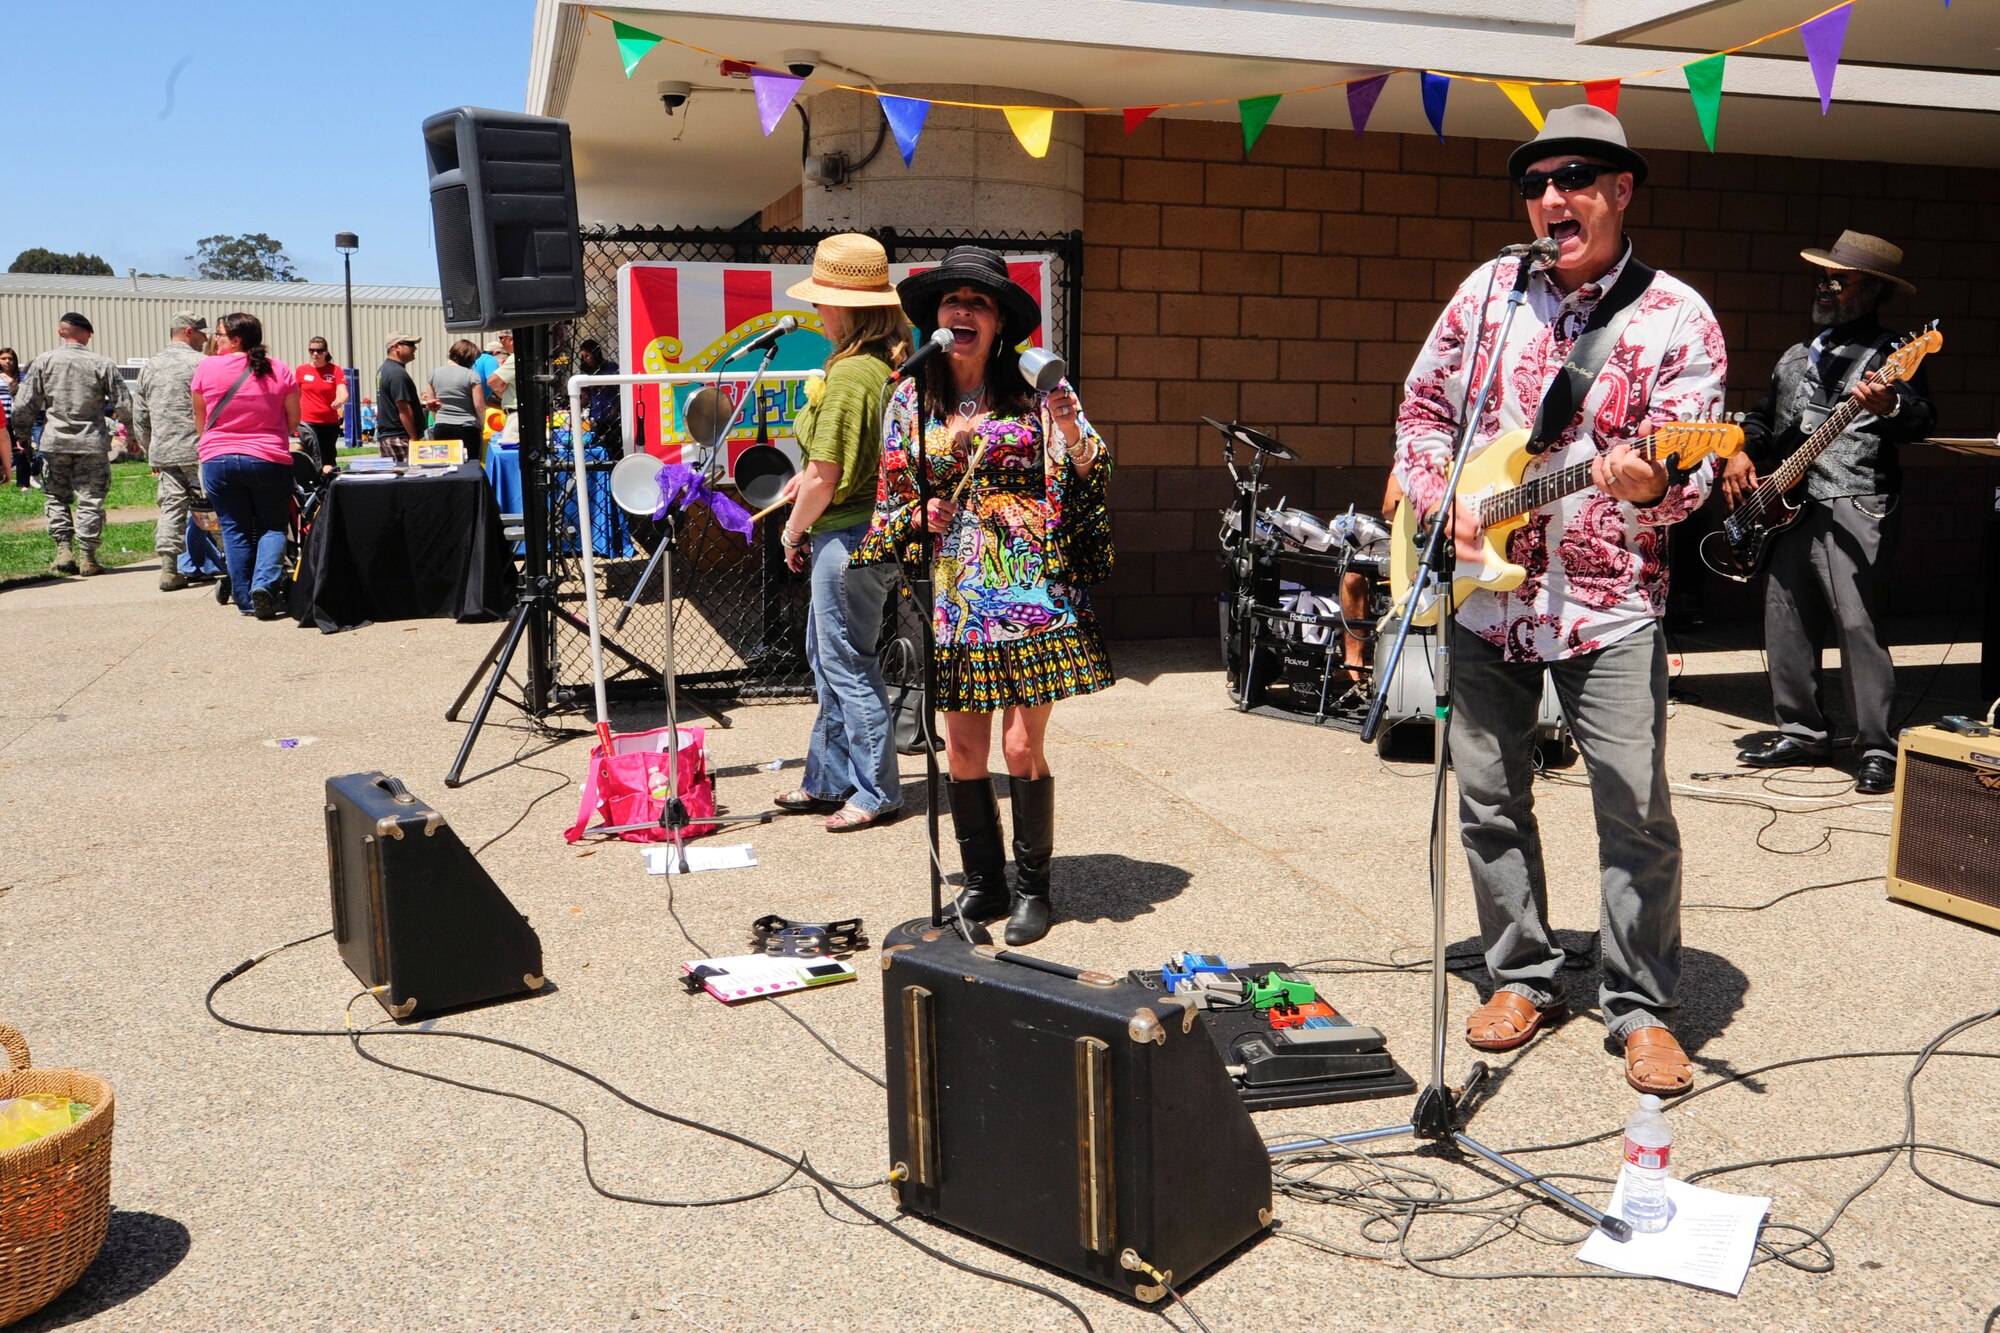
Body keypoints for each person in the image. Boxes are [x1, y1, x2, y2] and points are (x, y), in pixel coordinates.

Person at [1393, 106, 1726, 1097]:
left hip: (1608, 601)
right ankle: (1521, 976)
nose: (1550, 197)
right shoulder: (1488, 292)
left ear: (1620, 190)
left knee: (1631, 809)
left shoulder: (1673, 316)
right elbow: (1422, 413)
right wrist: (1440, 497)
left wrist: (1648, 481)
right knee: (1488, 798)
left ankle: (1639, 1007)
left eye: (1575, 177)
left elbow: (1692, 469)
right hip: (1484, 598)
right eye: (1536, 182)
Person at [854, 245, 1113, 946]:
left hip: (1031, 583)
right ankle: (984, 880)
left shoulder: (1033, 385)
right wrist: (921, 516)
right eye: (951, 300)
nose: (961, 311)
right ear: (936, 317)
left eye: (978, 301)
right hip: (956, 593)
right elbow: (894, 497)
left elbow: (1092, 463)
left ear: (999, 323)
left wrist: (1066, 421)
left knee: (1021, 744)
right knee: (961, 749)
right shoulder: (911, 395)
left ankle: (1034, 888)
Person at [1725, 232, 1934, 796]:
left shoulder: (1892, 354)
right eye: (1822, 278)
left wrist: (1889, 402)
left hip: (1855, 499)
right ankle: (1802, 731)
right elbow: (1769, 424)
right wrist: (1741, 448)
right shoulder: (1795, 356)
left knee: (1858, 623)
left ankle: (1876, 746)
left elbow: (1918, 419)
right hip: (1789, 503)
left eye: (1837, 280)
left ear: (1873, 291)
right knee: (1784, 615)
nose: (1824, 287)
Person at [767, 235, 910, 833]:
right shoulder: (874, 368)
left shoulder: (851, 374)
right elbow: (833, 468)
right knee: (829, 659)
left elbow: (826, 476)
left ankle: (876, 790)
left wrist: (792, 532)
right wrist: (810, 487)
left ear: (848, 308)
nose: (817, 312)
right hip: (857, 530)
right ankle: (828, 780)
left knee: (846, 662)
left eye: (823, 301)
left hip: (846, 536)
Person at [191, 312, 301, 619]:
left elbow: (200, 419)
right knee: (272, 526)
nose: (215, 339)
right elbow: (295, 420)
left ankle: (246, 600)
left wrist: (216, 443)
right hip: (268, 459)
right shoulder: (278, 369)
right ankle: (264, 585)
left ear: (236, 339)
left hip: (218, 459)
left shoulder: (207, 367)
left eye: (219, 335)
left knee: (234, 530)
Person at [13, 313, 132, 576]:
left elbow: (23, 403)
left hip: (55, 442)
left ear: (61, 332)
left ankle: (63, 550)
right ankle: (88, 557)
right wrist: (132, 434)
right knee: (90, 499)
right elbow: (123, 403)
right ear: (87, 334)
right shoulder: (102, 363)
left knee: (56, 496)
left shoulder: (45, 361)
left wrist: (22, 435)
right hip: (91, 442)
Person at [134, 312, 209, 591]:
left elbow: (140, 414)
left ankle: (169, 568)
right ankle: (233, 565)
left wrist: (148, 448)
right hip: (200, 448)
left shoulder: (150, 366)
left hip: (165, 450)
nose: (205, 339)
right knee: (214, 506)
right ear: (189, 331)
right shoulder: (202, 364)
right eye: (202, 334)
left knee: (171, 508)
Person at [426, 339, 487, 461]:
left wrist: (439, 420)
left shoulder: (433, 374)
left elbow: (432, 404)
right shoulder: (472, 376)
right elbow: (479, 406)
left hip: (442, 426)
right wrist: (482, 424)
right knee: (470, 466)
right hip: (467, 427)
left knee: (444, 464)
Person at [296, 336, 347, 472]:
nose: (315, 354)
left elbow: (344, 393)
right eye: (311, 350)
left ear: (325, 352)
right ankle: (314, 484)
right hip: (307, 421)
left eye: (319, 350)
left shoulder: (335, 370)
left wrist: (340, 400)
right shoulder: (302, 370)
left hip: (329, 422)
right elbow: (295, 394)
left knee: (328, 458)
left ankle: (329, 487)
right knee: (314, 456)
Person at [374, 333, 424, 463]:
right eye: (410, 345)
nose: (415, 348)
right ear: (396, 347)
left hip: (390, 437)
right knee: (408, 479)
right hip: (400, 438)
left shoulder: (384, 369)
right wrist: (414, 438)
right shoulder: (397, 374)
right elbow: (403, 408)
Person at [576, 338, 621, 443]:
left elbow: (623, 391)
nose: (586, 359)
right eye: (583, 357)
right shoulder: (586, 371)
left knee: (614, 444)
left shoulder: (611, 368)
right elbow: (586, 394)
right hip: (596, 416)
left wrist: (616, 408)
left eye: (587, 356)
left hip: (613, 415)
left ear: (595, 353)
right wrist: (576, 408)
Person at [0, 347, 20, 486]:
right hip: (2, 418)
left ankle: (23, 481)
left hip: (17, 418)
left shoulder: (21, 376)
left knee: (19, 449)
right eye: (4, 358)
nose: (7, 361)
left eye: (10, 358)